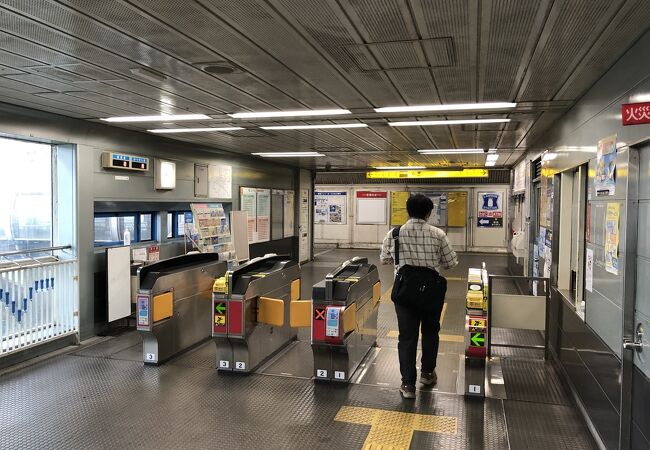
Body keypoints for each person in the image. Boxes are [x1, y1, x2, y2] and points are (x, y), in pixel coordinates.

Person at [380, 194, 458, 399]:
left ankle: (407, 386)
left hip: (404, 292)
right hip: (430, 292)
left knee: (407, 337)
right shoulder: (438, 234)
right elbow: (450, 263)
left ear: (407, 210)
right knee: (431, 332)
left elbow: (385, 259)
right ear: (429, 212)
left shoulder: (395, 233)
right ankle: (426, 374)